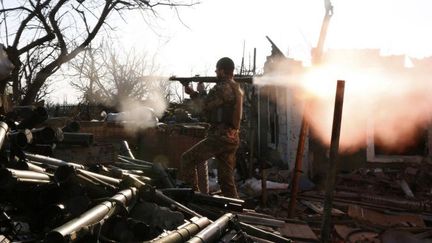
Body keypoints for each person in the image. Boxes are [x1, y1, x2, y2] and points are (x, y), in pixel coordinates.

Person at [180, 57, 243, 198]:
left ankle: (192, 198)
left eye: (217, 70)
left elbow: (204, 106)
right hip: (231, 137)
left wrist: (197, 93)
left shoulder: (222, 87)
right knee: (226, 181)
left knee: (187, 159)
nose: (215, 73)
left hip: (219, 137)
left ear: (222, 70)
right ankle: (234, 208)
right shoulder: (235, 87)